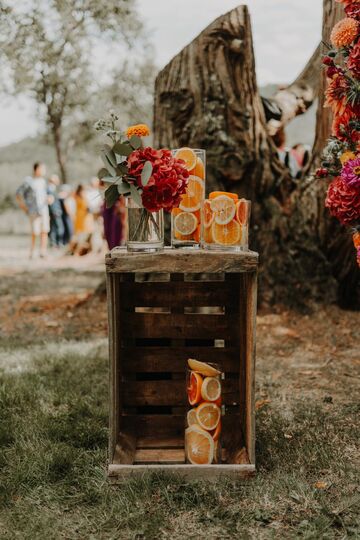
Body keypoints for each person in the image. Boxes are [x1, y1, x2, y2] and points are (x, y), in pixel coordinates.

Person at [16, 162, 50, 258]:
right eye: (42, 169)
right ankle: (32, 252)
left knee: (45, 231)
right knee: (35, 232)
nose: (44, 171)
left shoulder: (43, 181)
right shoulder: (28, 181)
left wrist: (48, 199)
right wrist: (24, 208)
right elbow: (18, 194)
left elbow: (43, 195)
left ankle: (43, 252)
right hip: (33, 211)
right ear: (37, 169)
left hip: (44, 210)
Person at [69, 184, 94, 255]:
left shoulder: (77, 196)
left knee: (80, 234)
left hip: (81, 216)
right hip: (83, 217)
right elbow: (86, 206)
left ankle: (77, 250)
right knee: (82, 235)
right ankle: (77, 250)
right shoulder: (82, 197)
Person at [47, 174, 65, 247]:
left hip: (54, 212)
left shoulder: (52, 188)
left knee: (53, 228)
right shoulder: (50, 189)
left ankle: (53, 243)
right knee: (59, 228)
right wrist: (55, 211)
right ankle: (58, 243)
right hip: (55, 211)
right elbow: (51, 201)